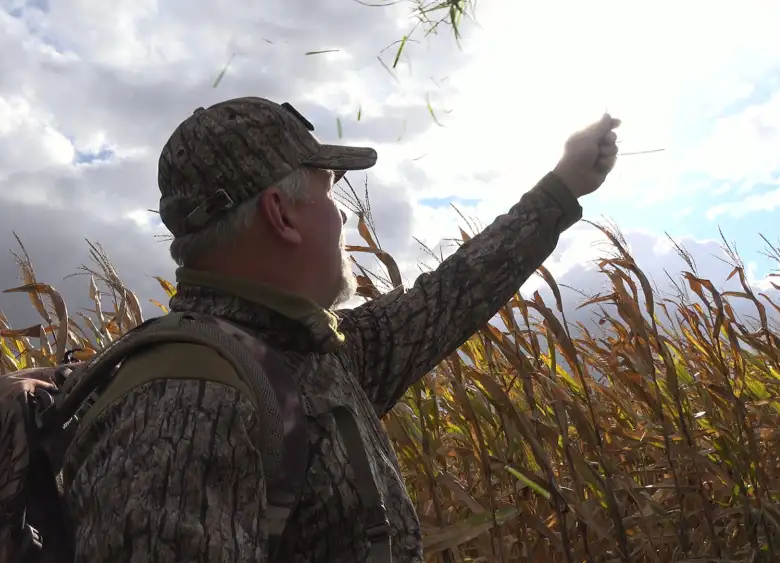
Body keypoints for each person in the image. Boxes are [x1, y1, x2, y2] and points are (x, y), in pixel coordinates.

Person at [61, 96, 620, 563]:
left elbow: (450, 296)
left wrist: (562, 188)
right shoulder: (186, 400)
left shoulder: (310, 352)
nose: (344, 217)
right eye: (330, 192)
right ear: (281, 215)